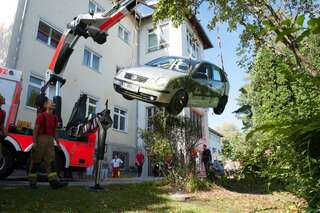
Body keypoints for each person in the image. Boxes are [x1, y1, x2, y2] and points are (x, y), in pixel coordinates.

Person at [28, 100, 68, 189]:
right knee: (36, 162)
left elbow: (55, 132)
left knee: (51, 162)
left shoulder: (55, 118)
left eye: (54, 104)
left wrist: (58, 143)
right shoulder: (41, 116)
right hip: (41, 139)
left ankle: (54, 182)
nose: (53, 104)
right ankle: (32, 183)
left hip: (50, 141)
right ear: (46, 105)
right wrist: (34, 142)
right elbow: (36, 129)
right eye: (51, 103)